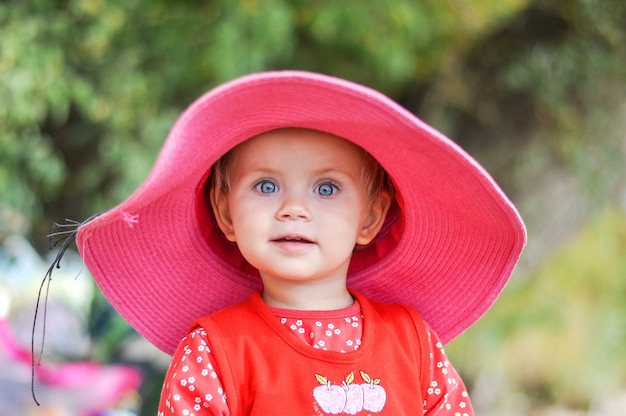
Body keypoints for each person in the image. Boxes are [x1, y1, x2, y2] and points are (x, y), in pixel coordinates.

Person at [74, 71, 526, 415]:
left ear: (370, 217)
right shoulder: (216, 351)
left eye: (327, 189)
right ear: (226, 211)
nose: (294, 208)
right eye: (266, 186)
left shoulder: (413, 343)